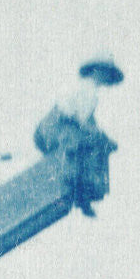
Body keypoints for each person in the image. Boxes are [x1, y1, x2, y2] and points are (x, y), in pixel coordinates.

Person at [34, 58, 122, 217]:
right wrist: (99, 136)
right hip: (54, 127)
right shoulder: (87, 89)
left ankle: (82, 192)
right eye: (105, 72)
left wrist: (103, 136)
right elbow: (82, 121)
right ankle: (73, 189)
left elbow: (89, 121)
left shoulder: (89, 91)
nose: (106, 77)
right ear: (96, 70)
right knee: (81, 145)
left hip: (55, 128)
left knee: (92, 143)